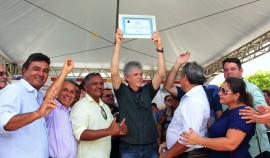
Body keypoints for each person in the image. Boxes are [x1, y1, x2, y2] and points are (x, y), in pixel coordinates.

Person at [0, 53, 73, 158]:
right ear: (24, 71)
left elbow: (51, 95)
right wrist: (37, 113)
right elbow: (3, 123)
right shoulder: (14, 90)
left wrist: (64, 72)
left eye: (45, 71)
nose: (41, 74)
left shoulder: (37, 95)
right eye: (36, 69)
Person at [110, 29, 166, 158]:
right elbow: (113, 72)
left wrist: (159, 48)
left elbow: (161, 74)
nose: (140, 77)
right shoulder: (122, 91)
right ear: (127, 78)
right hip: (129, 146)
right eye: (135, 75)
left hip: (150, 145)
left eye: (141, 74)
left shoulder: (148, 90)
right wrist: (118, 45)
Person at [181, 77, 255, 158]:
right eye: (220, 89)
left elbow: (230, 144)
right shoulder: (230, 111)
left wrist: (199, 140)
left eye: (224, 91)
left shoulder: (241, 113)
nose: (219, 93)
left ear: (236, 95)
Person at [160, 52, 210, 158]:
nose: (179, 80)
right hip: (185, 152)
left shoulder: (194, 100)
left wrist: (167, 155)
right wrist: (168, 143)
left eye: (180, 76)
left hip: (189, 154)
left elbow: (189, 139)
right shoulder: (193, 95)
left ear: (185, 78)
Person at [70, 73, 128, 158]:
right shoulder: (80, 106)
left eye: (101, 83)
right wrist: (109, 131)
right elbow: (81, 134)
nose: (100, 86)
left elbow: (110, 132)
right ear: (86, 87)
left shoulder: (105, 106)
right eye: (95, 84)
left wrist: (119, 130)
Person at [222, 58, 270, 158]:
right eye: (226, 70)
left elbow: (265, 114)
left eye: (233, 69)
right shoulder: (223, 93)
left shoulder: (252, 89)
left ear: (241, 71)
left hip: (256, 150)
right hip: (235, 150)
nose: (229, 72)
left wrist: (256, 115)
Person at [45, 80, 78, 158]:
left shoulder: (73, 111)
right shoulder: (51, 107)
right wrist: (65, 71)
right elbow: (48, 97)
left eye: (72, 92)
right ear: (58, 92)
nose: (68, 94)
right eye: (65, 90)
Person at [101, 88, 120, 158]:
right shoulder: (97, 111)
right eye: (107, 96)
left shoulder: (119, 110)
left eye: (112, 95)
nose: (111, 97)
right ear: (101, 98)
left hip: (117, 149)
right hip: (102, 149)